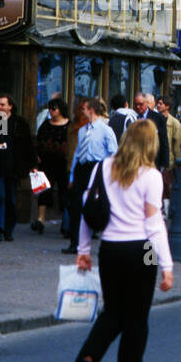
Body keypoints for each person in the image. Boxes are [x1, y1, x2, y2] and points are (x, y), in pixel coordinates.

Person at [74, 120, 173, 362]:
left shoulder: (103, 167)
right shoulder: (152, 175)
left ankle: (89, 357)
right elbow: (154, 224)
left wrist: (83, 249)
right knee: (137, 320)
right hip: (143, 250)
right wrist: (167, 266)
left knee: (114, 311)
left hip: (110, 248)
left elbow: (88, 209)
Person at [62, 97, 117, 255]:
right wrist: (72, 176)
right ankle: (75, 242)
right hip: (82, 167)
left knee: (97, 203)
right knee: (75, 205)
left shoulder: (106, 130)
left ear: (91, 110)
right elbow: (77, 154)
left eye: (84, 109)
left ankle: (103, 239)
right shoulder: (82, 130)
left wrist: (108, 173)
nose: (82, 111)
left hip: (97, 166)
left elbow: (113, 152)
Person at [0, 94, 36, 243]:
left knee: (11, 198)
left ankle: (8, 229)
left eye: (2, 105)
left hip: (14, 166)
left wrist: (33, 165)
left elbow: (28, 145)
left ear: (10, 106)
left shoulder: (19, 123)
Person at [33, 98, 70, 235]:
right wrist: (36, 157)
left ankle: (65, 222)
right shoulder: (45, 125)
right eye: (50, 108)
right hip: (46, 162)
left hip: (63, 163)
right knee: (44, 189)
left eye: (54, 108)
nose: (51, 111)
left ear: (61, 109)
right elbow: (38, 142)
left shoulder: (69, 126)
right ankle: (40, 219)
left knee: (64, 190)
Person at [155, 95, 181, 201]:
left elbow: (177, 145)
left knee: (167, 189)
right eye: (158, 103)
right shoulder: (154, 119)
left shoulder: (175, 123)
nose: (158, 105)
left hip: (169, 163)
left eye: (161, 103)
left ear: (167, 106)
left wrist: (176, 162)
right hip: (156, 160)